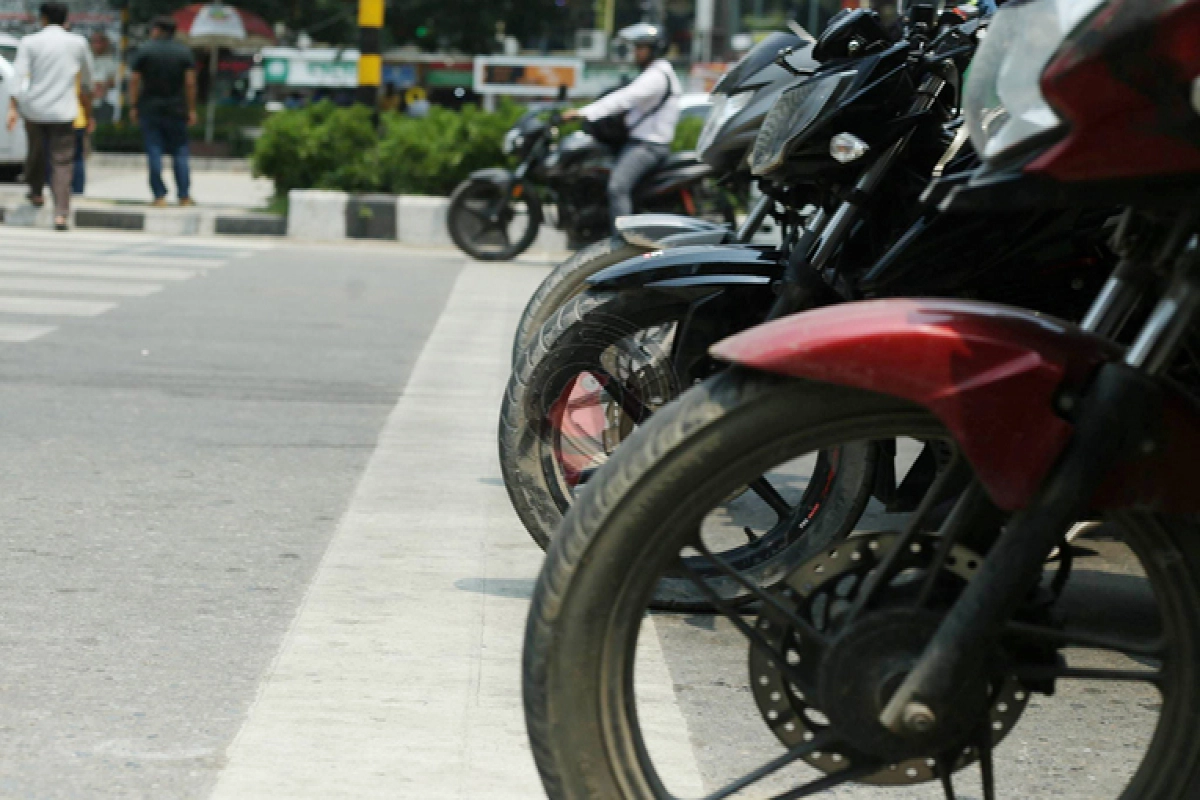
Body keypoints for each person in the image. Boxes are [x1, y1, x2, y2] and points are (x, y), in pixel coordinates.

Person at [563, 23, 680, 230]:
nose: (636, 52)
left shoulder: (656, 76)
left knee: (617, 187)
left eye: (641, 47)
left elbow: (623, 98)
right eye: (636, 47)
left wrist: (584, 112)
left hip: (647, 146)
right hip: (640, 143)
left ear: (655, 49)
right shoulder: (654, 73)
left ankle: (622, 239)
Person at [6, 1, 94, 231]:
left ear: (43, 18)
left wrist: (12, 108)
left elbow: (17, 76)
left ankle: (36, 192)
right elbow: (87, 79)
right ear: (66, 19)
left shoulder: (30, 41)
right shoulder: (77, 42)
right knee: (62, 161)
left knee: (35, 153)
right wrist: (88, 107)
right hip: (64, 110)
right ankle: (61, 213)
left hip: (34, 109)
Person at [129, 16, 197, 208]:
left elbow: (134, 80)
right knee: (180, 151)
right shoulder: (184, 52)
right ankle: (184, 196)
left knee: (154, 150)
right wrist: (191, 109)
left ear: (157, 30)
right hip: (177, 109)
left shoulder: (145, 51)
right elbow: (190, 83)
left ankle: (159, 196)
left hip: (150, 108)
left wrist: (133, 105)